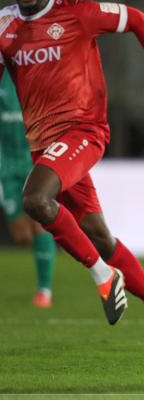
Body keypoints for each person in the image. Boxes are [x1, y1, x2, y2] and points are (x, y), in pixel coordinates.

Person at [1, 0, 144, 349]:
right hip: (44, 147)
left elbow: (137, 19)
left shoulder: (78, 15)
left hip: (84, 130)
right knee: (99, 236)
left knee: (36, 200)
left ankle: (104, 276)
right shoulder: (4, 27)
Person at [0, 71, 56, 307]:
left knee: (39, 222)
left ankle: (44, 289)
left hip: (33, 161)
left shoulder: (34, 76)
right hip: (6, 166)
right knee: (21, 235)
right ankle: (45, 247)